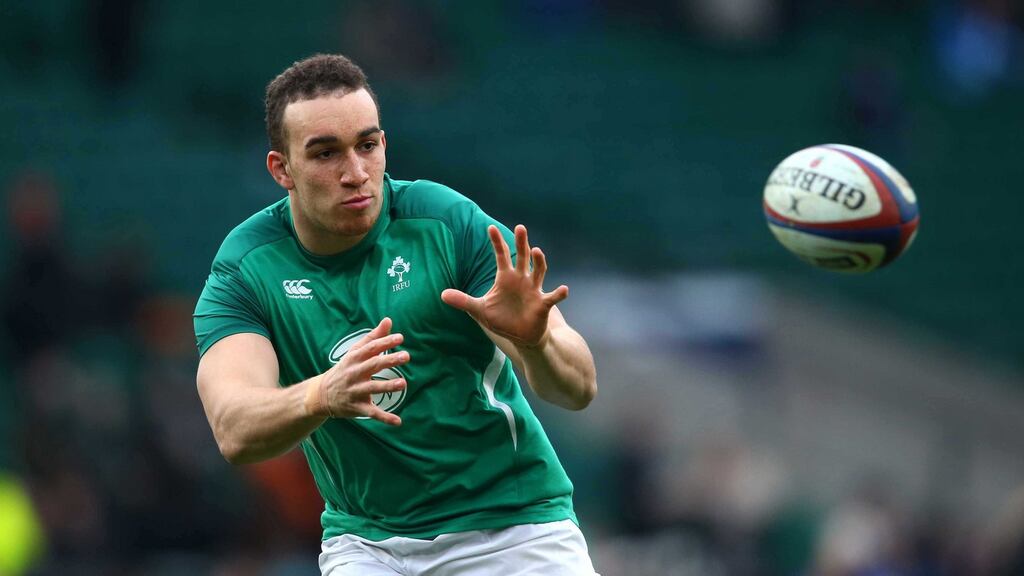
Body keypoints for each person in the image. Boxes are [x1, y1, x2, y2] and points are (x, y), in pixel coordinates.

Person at [193, 53, 600, 575]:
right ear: (282, 169)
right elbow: (235, 428)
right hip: (368, 546)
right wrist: (324, 394)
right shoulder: (247, 268)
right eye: (325, 154)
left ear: (384, 144)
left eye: (367, 145)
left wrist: (536, 343)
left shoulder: (446, 222)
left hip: (513, 530)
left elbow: (579, 387)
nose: (356, 173)